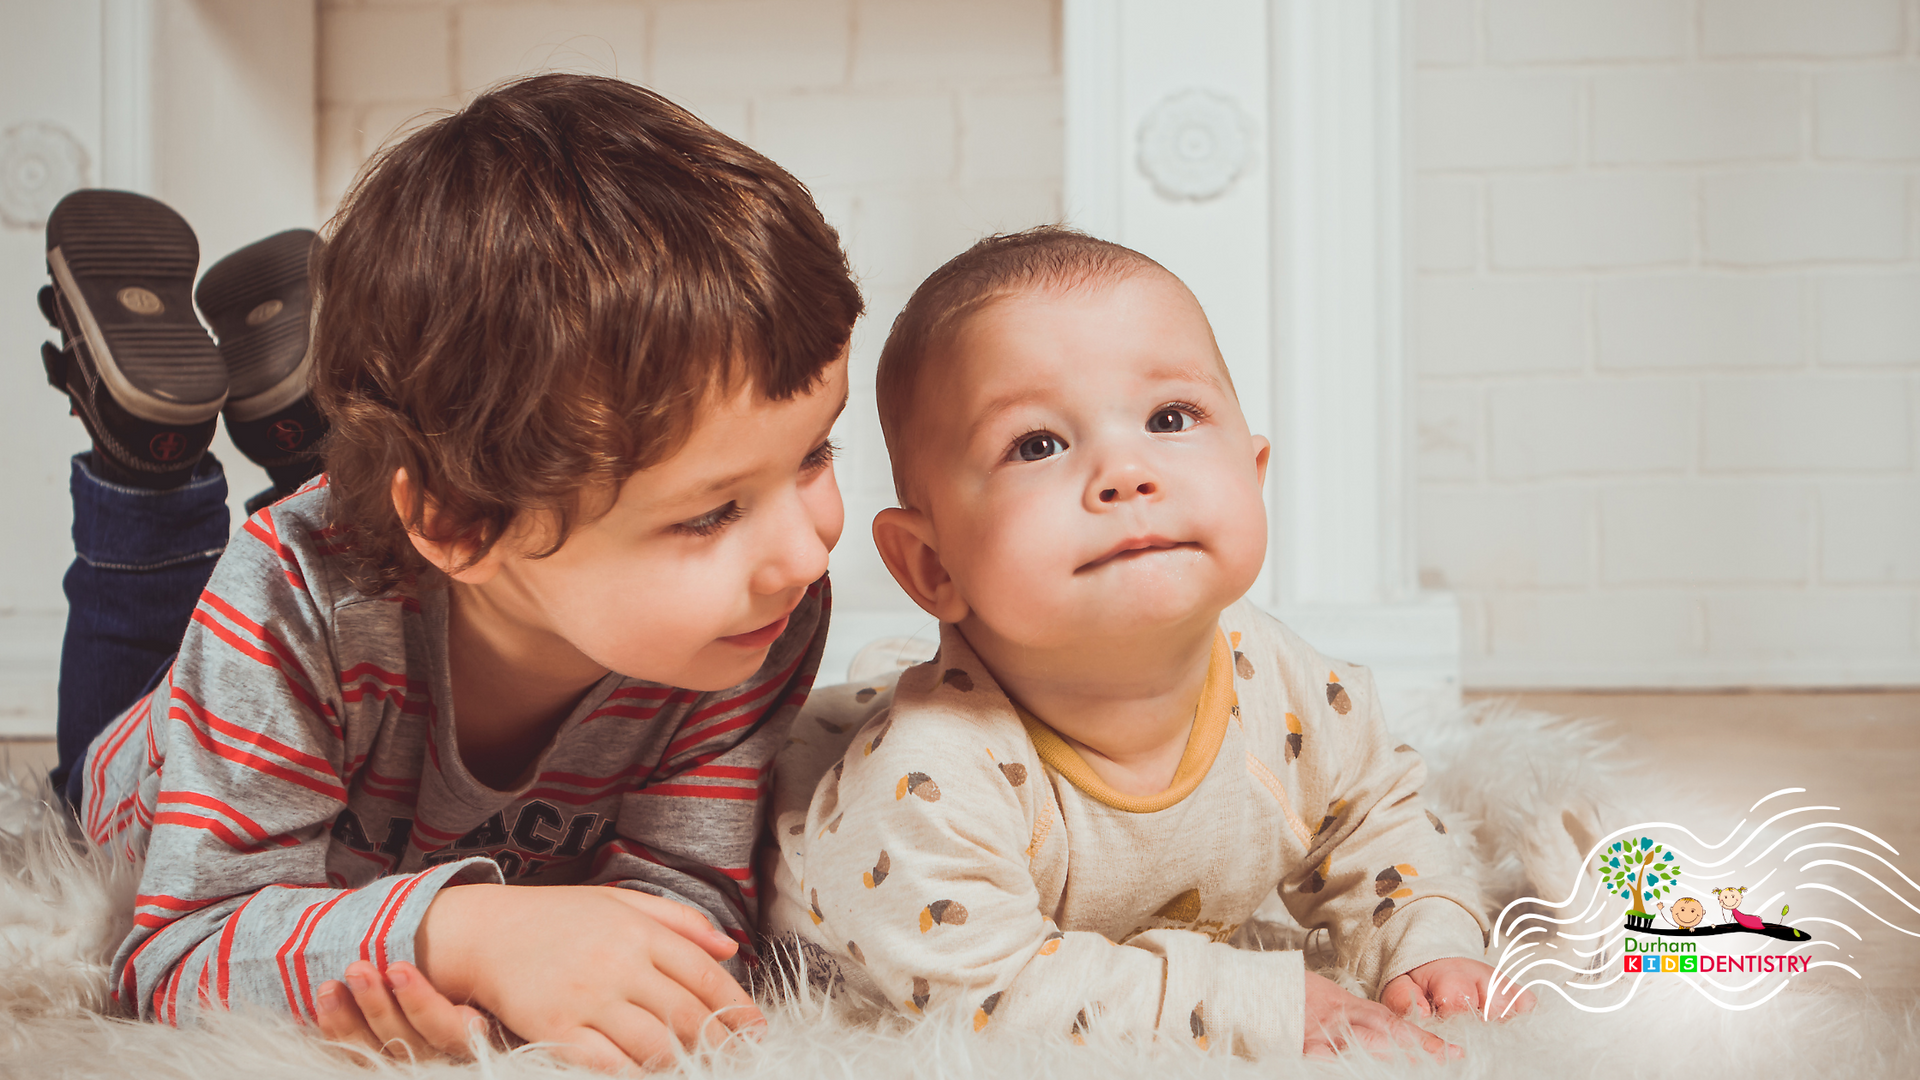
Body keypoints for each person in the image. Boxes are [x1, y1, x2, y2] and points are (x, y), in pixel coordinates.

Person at [38, 74, 862, 1071]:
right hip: (166, 748)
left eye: (815, 454)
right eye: (710, 512)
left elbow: (689, 898)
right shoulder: (286, 600)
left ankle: (326, 425)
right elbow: (176, 960)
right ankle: (147, 460)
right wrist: (458, 936)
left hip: (402, 564)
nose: (807, 550)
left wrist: (573, 974)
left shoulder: (750, 621)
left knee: (361, 531)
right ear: (462, 523)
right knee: (93, 748)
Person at [764, 227, 1531, 1060]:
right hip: (833, 848)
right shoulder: (926, 781)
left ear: (1253, 471)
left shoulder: (1285, 685)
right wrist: (1248, 1003)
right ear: (931, 563)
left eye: (1171, 417)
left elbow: (1375, 819)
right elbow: (987, 994)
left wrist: (1427, 936)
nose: (1126, 472)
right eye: (1037, 444)